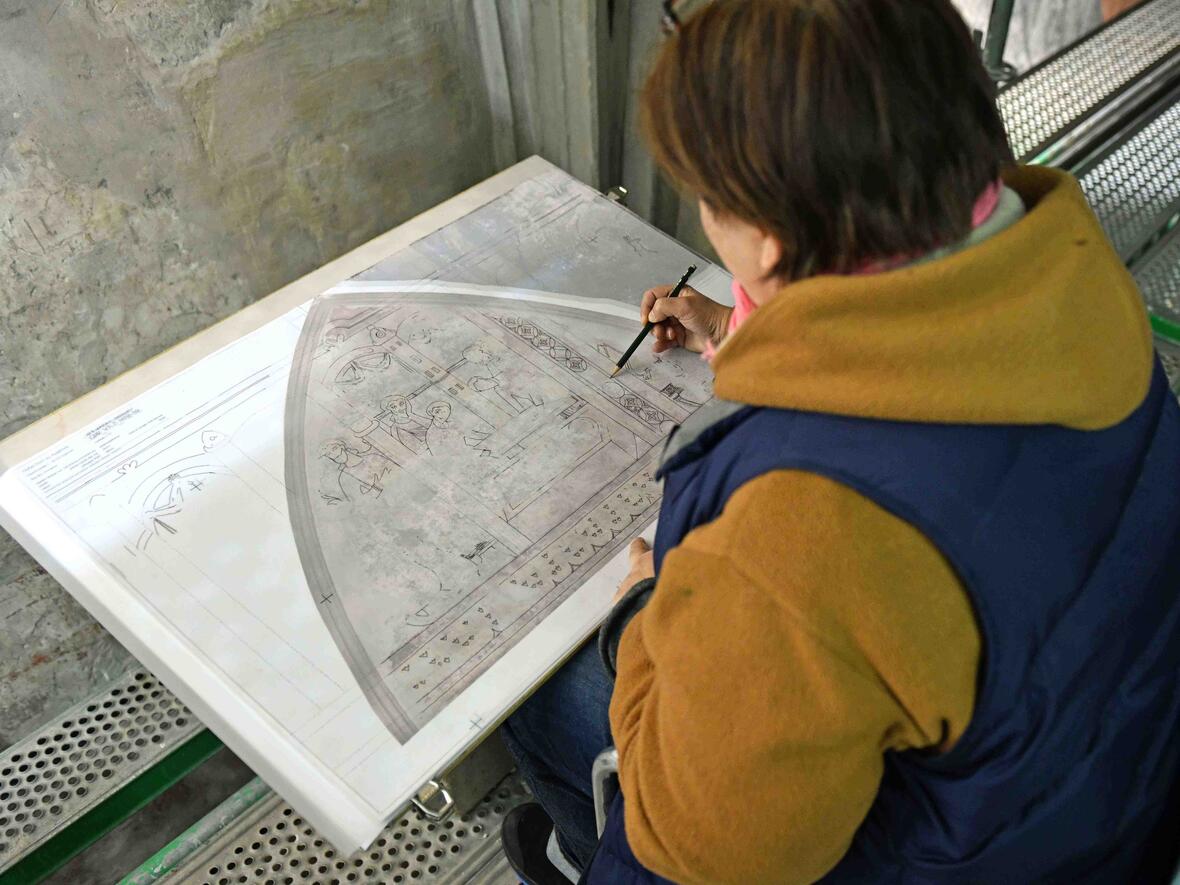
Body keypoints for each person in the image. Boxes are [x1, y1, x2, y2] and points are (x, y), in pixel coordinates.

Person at [500, 1, 1180, 882]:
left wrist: (641, 609)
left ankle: (579, 848)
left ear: (772, 237)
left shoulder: (802, 528)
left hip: (935, 855)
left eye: (709, 198)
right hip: (1095, 801)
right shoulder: (1074, 274)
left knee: (536, 689)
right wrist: (739, 330)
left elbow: (699, 848)